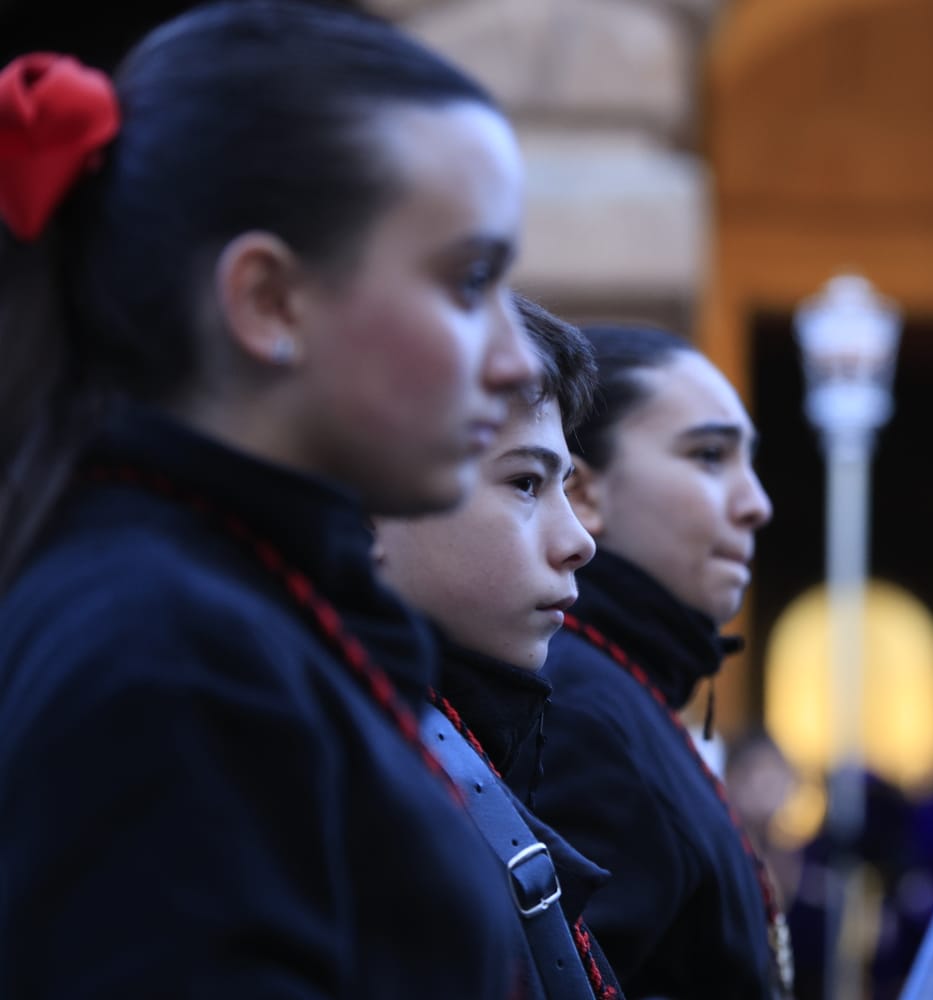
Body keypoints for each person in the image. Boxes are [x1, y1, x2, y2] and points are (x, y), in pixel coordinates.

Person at [0, 2, 565, 994]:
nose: (516, 360)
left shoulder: (236, 608)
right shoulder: (169, 659)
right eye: (468, 282)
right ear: (268, 300)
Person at [504, 324, 787, 999]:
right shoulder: (579, 711)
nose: (756, 504)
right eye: (711, 456)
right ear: (588, 493)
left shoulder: (623, 692)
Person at [375, 296, 622, 996]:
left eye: (563, 486)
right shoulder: (359, 782)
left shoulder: (445, 738)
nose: (579, 541)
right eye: (524, 483)